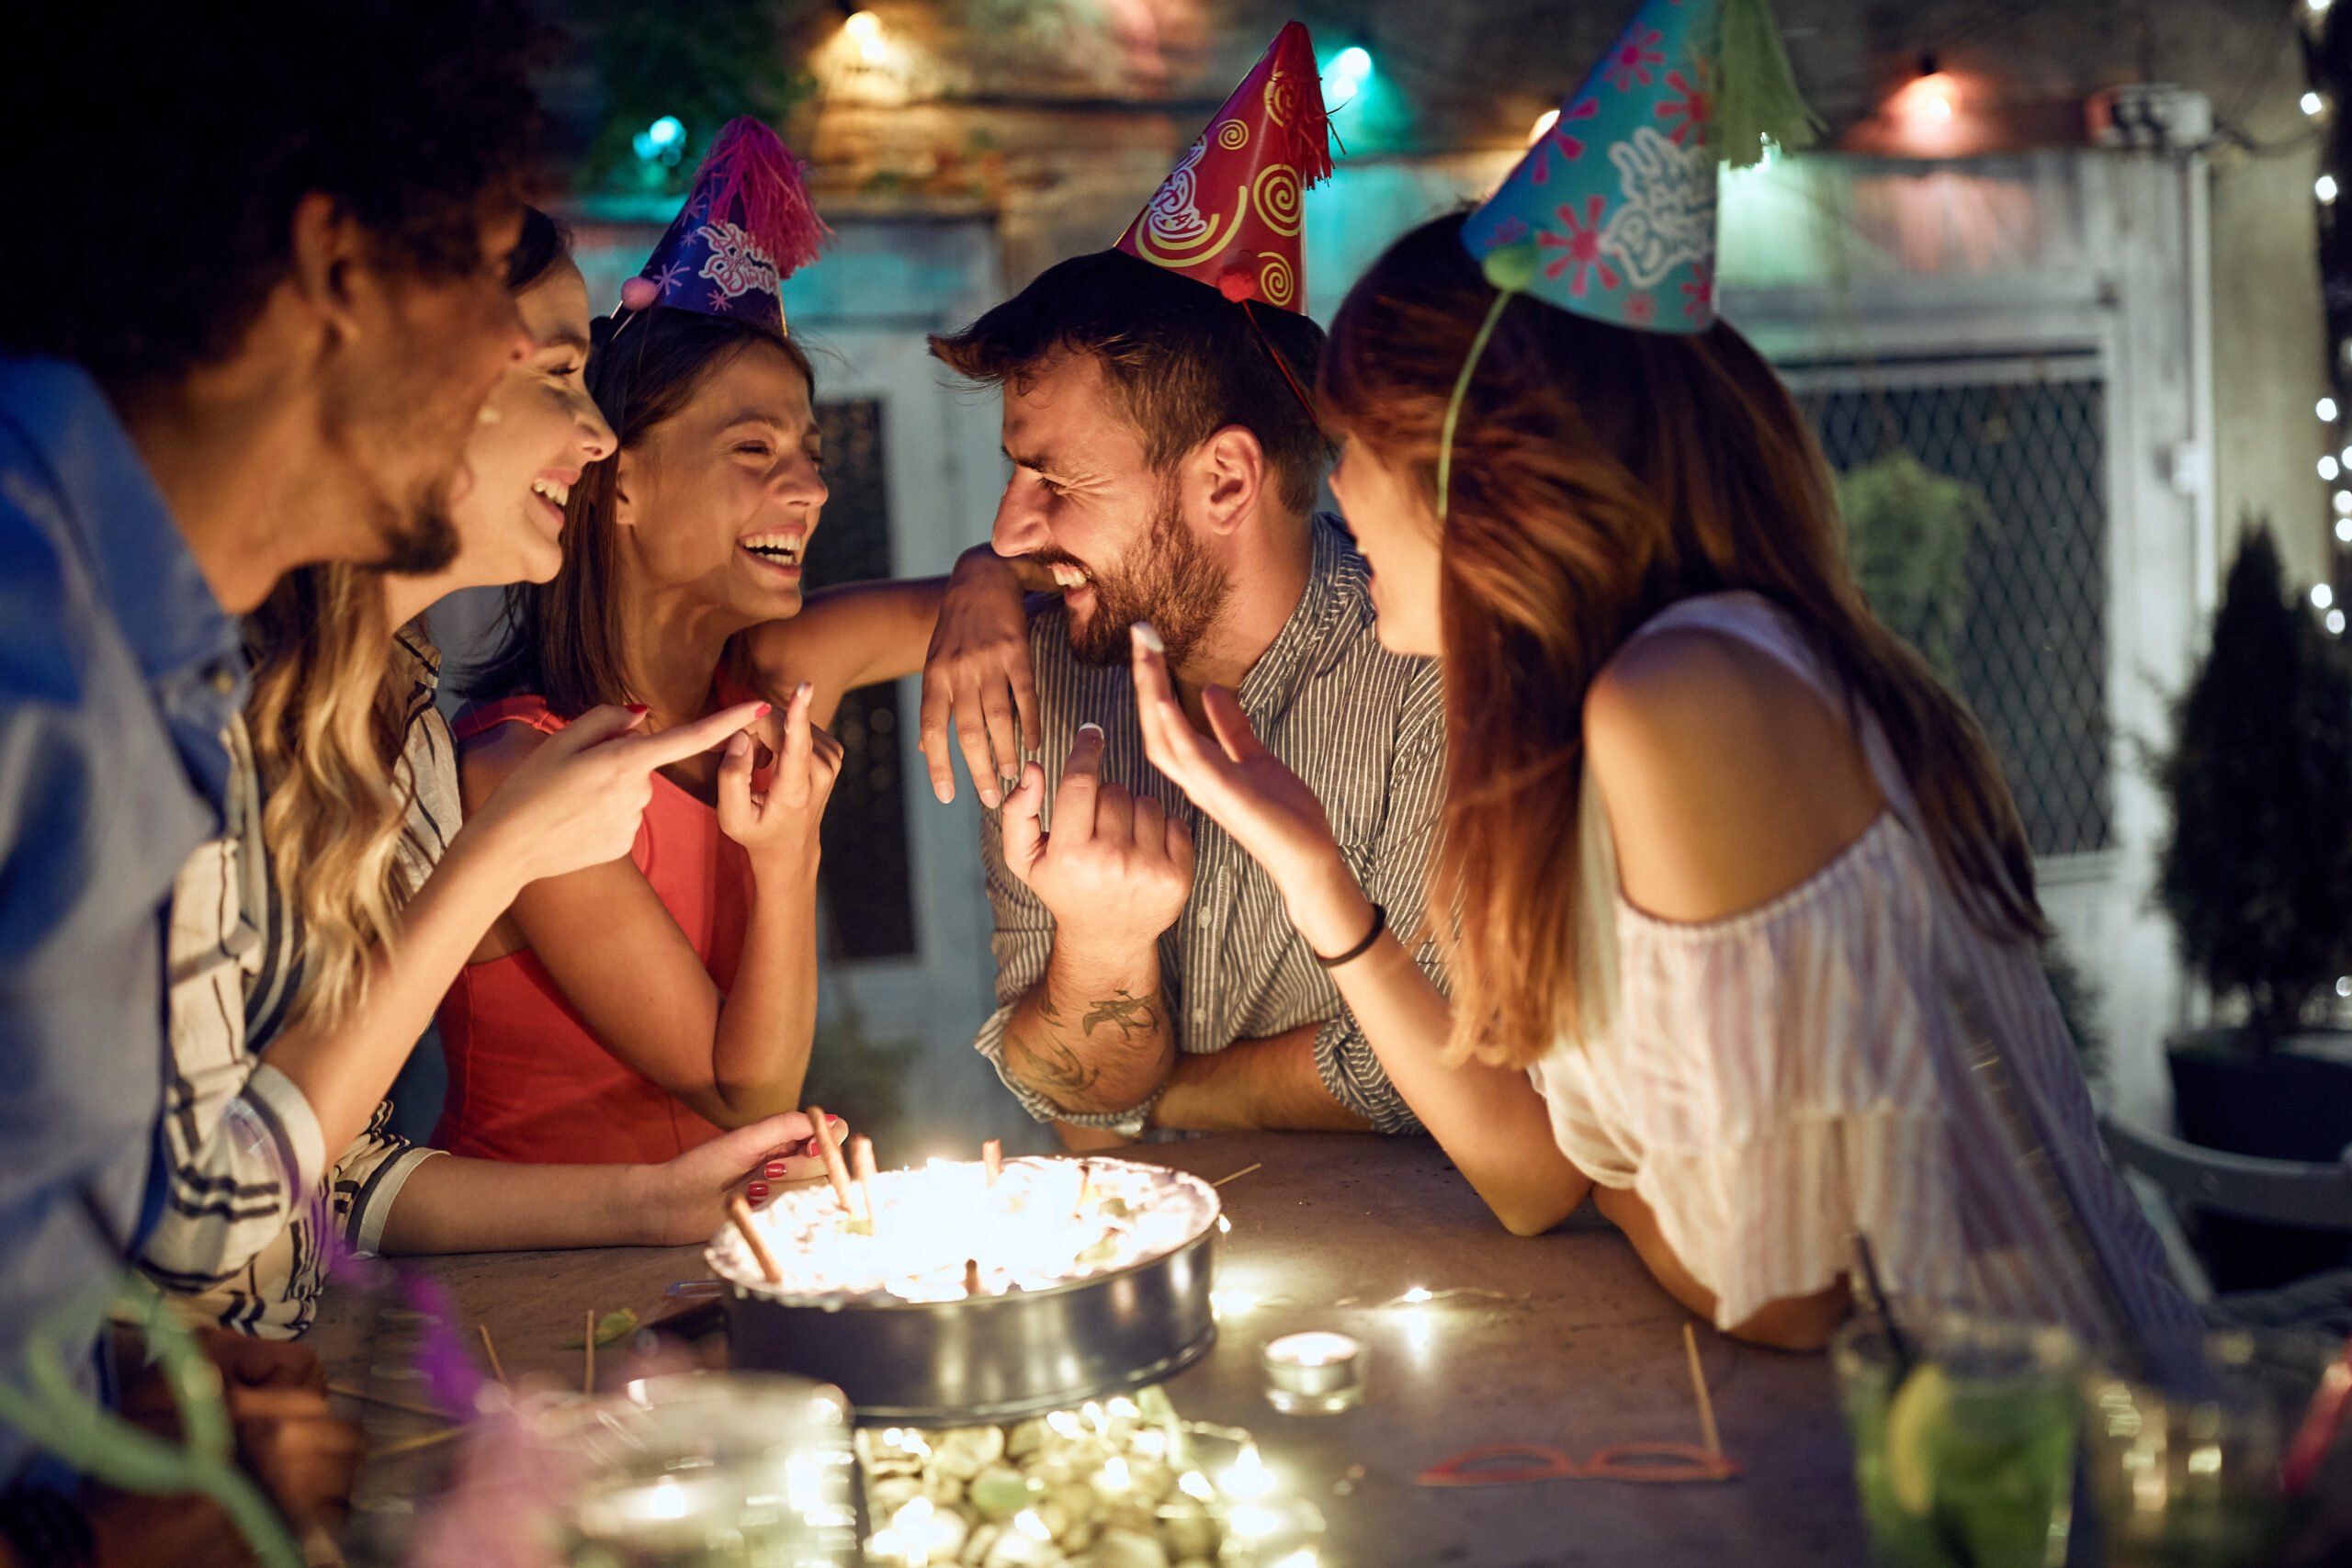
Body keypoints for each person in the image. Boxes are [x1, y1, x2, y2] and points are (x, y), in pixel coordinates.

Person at [1129, 0, 2195, 1352]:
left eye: (1348, 444)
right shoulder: (1637, 693)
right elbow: (1528, 1176)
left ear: (1472, 473)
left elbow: (1780, 1279)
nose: (1334, 493)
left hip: (2041, 1466)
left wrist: (1627, 1187)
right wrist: (1311, 865)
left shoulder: (1683, 692)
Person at [0, 0, 540, 1553]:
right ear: (337, 270)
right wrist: (95, 1538)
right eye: (496, 271)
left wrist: (124, 1417)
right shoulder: (30, 641)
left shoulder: (164, 637)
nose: (512, 357)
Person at [138, 209, 830, 1339]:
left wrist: (657, 1203)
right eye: (561, 373)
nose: (595, 436)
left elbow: (332, 1164)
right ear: (408, 378)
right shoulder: (190, 707)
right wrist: (499, 855)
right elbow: (200, 1216)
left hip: (262, 1405)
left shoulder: (392, 723)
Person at [441, 120, 1035, 1164]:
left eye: (807, 451)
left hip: (715, 1255)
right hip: (530, 1298)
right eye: (752, 448)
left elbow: (1053, 587)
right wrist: (786, 854)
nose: (808, 488)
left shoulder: (769, 671)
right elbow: (742, 1086)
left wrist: (983, 575)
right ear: (615, 477)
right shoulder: (518, 766)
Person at [926, 22, 1447, 1145]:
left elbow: (1433, 1058)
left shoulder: (1422, 671)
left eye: (1054, 479)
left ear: (1223, 479)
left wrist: (1158, 1097)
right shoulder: (1045, 673)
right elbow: (1068, 1109)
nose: (1009, 527)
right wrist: (1102, 954)